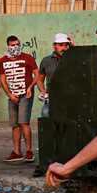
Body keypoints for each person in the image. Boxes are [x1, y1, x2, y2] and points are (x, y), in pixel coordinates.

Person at [34, 33, 72, 176]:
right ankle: (46, 162)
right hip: (52, 101)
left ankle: (67, 161)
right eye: (61, 45)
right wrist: (43, 92)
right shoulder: (46, 61)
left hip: (69, 101)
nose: (64, 48)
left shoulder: (73, 59)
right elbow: (39, 79)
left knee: (68, 130)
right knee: (48, 127)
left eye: (66, 45)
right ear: (54, 46)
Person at [0, 34, 38, 162]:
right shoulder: (3, 60)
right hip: (12, 96)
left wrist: (30, 87)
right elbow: (3, 79)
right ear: (8, 46)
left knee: (23, 122)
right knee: (15, 125)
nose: (15, 47)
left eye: (17, 44)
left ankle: (29, 150)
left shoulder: (27, 58)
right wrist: (9, 94)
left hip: (25, 95)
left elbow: (37, 75)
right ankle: (16, 152)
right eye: (12, 45)